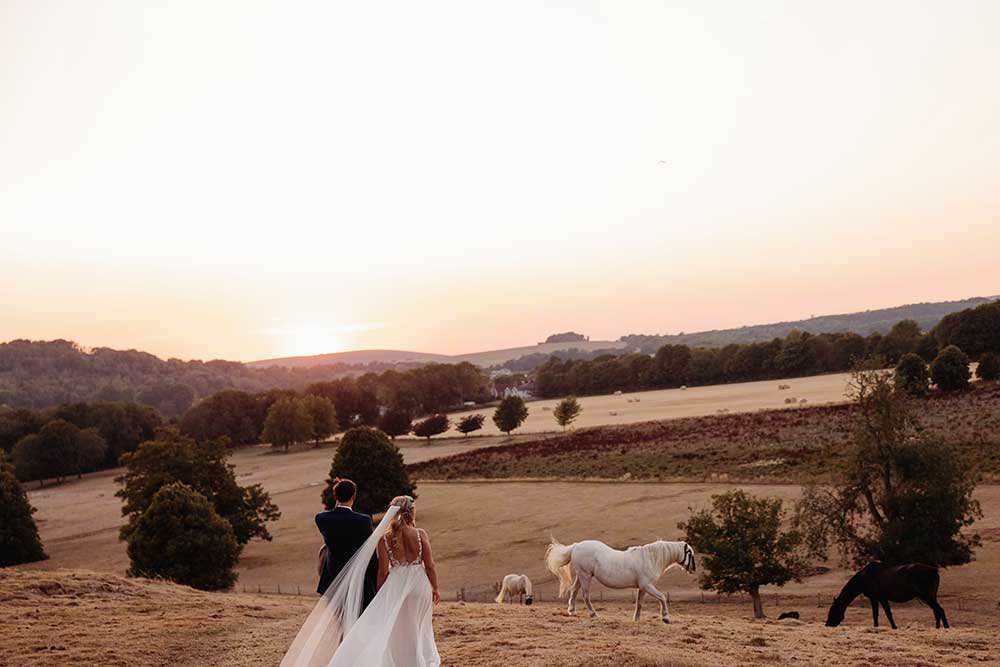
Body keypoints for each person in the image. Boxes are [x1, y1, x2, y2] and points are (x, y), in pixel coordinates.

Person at [279, 495, 441, 667]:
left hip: (396, 586)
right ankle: (418, 661)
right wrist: (435, 587)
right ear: (411, 512)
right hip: (419, 585)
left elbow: (383, 571)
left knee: (395, 627)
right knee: (418, 625)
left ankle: (398, 661)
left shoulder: (384, 539)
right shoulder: (420, 534)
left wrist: (380, 592)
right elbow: (429, 565)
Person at [315, 479, 377, 609]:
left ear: (335, 496)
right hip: (358, 576)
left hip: (333, 575)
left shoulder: (321, 518)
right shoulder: (363, 520)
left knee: (338, 616)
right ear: (354, 496)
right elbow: (369, 549)